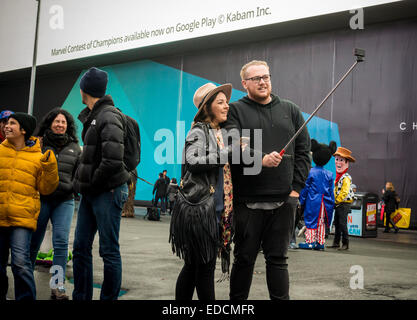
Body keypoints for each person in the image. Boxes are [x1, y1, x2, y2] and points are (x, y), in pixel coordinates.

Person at [223, 60, 311, 300]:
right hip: (246, 202)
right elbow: (232, 147)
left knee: (278, 260)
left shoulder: (291, 110)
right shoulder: (234, 110)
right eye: (256, 79)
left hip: (284, 201)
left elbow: (304, 152)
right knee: (244, 258)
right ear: (245, 84)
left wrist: (295, 191)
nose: (262, 82)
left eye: (266, 76)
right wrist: (261, 159)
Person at [170, 82, 236, 300]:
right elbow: (193, 161)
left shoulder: (217, 132)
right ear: (206, 108)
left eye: (226, 102)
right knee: (203, 268)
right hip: (202, 211)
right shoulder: (199, 130)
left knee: (194, 267)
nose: (227, 106)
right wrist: (227, 154)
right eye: (220, 102)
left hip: (211, 210)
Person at [72, 67, 130, 300]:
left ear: (84, 89)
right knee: (80, 248)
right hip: (93, 193)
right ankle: (81, 296)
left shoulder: (108, 115)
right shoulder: (94, 115)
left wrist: (91, 184)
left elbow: (112, 161)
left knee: (108, 251)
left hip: (107, 191)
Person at [0, 112, 59, 300]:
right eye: (6, 123)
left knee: (20, 263)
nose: (6, 126)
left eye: (12, 123)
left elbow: (46, 189)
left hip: (22, 219)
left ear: (23, 130)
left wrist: (50, 168)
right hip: (0, 215)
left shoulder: (38, 157)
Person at [29, 108, 81, 300]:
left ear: (68, 126)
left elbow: (79, 173)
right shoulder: (38, 144)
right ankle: (25, 282)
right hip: (41, 199)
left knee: (61, 243)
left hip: (64, 201)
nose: (60, 125)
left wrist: (74, 187)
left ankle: (57, 286)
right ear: (50, 123)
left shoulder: (75, 147)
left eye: (63, 122)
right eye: (57, 122)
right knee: (33, 242)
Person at [298, 140, 336, 250]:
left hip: (313, 200)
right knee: (321, 221)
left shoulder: (311, 172)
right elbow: (330, 190)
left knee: (311, 220)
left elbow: (306, 188)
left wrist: (302, 199)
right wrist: (331, 203)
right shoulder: (329, 174)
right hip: (325, 201)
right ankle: (320, 242)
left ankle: (310, 241)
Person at [327, 147, 355, 251]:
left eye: (341, 160)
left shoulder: (345, 177)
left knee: (342, 224)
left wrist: (336, 200)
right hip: (339, 203)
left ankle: (345, 243)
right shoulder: (339, 177)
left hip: (344, 203)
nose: (338, 162)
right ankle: (336, 243)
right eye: (337, 159)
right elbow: (337, 190)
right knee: (337, 223)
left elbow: (344, 191)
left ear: (347, 163)